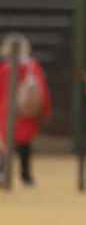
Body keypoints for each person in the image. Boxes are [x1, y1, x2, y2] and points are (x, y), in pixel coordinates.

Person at [0, 33, 52, 187]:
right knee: (25, 146)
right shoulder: (32, 66)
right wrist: (46, 110)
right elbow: (42, 90)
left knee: (5, 145)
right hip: (26, 113)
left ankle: (3, 172)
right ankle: (26, 176)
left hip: (6, 111)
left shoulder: (4, 69)